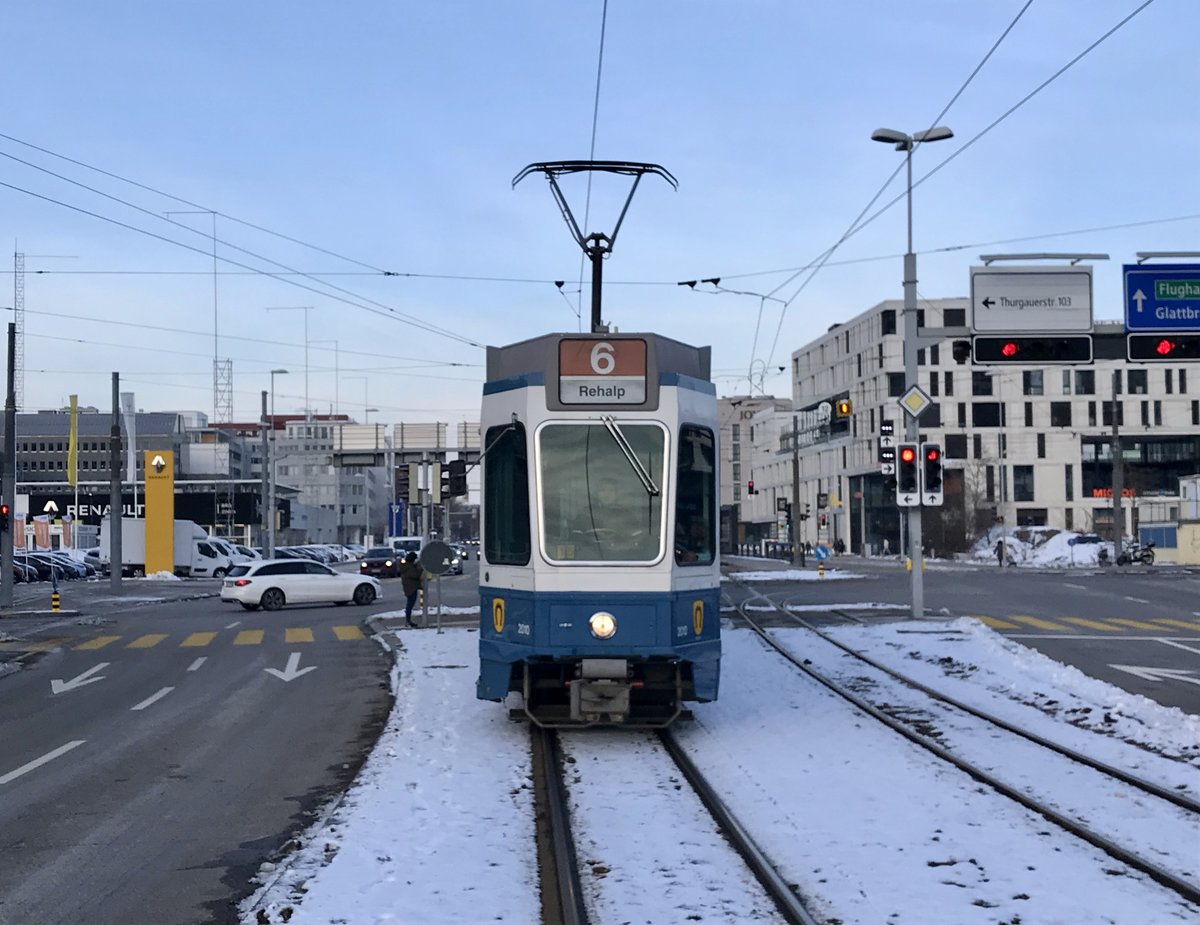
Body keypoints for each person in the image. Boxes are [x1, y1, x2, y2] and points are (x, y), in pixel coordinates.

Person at [398, 552, 424, 628]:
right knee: (410, 605)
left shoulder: (405, 566)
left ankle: (408, 620)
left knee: (409, 604)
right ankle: (408, 621)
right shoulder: (409, 567)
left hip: (408, 587)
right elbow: (415, 575)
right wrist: (420, 569)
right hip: (411, 588)